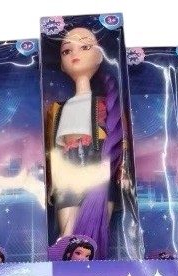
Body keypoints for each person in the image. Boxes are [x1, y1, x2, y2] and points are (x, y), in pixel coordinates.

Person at [45, 26, 133, 258]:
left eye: (85, 47)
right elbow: (52, 151)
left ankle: (92, 268)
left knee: (95, 236)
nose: (75, 54)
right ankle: (64, 271)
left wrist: (122, 174)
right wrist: (51, 183)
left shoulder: (107, 105)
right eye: (67, 51)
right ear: (61, 63)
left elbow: (121, 145)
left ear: (99, 56)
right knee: (66, 236)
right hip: (68, 171)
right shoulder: (57, 109)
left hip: (98, 168)